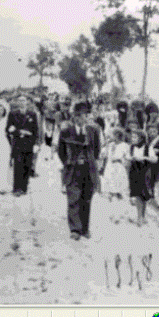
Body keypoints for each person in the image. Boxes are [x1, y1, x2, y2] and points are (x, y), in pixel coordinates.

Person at [58, 101, 101, 240]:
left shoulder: (93, 131)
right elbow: (61, 151)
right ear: (74, 117)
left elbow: (97, 150)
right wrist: (68, 163)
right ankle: (75, 229)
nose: (82, 119)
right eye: (79, 116)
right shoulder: (66, 131)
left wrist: (91, 161)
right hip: (73, 169)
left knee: (86, 198)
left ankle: (84, 228)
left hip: (88, 169)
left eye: (84, 116)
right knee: (73, 198)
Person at [5, 95, 39, 196]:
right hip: (18, 143)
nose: (22, 102)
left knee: (27, 165)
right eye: (19, 100)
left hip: (29, 143)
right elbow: (8, 128)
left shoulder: (32, 114)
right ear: (17, 102)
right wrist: (20, 132)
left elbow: (35, 130)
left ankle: (24, 188)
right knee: (18, 165)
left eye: (23, 100)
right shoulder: (12, 114)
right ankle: (16, 188)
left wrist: (36, 143)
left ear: (27, 102)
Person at [126, 130, 158, 227]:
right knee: (137, 194)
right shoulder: (131, 147)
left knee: (144, 195)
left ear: (141, 138)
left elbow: (155, 159)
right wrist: (130, 158)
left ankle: (142, 216)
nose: (133, 139)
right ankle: (139, 217)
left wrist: (144, 158)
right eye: (132, 137)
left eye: (135, 137)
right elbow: (127, 156)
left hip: (145, 173)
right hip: (134, 172)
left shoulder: (148, 148)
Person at [101, 128, 129, 201]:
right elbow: (104, 154)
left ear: (117, 135)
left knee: (117, 180)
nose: (110, 137)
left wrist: (120, 159)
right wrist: (105, 147)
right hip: (110, 165)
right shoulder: (110, 144)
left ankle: (116, 194)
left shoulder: (124, 145)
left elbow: (127, 157)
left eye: (111, 135)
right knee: (109, 179)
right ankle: (111, 194)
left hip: (118, 166)